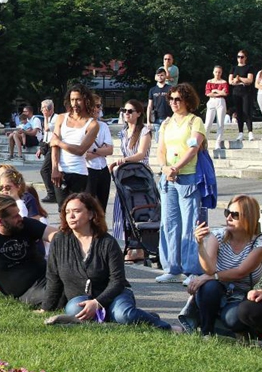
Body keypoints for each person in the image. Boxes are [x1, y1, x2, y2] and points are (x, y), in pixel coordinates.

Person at [41, 193, 176, 331]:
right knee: (73, 309)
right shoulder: (59, 241)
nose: (71, 216)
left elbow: (117, 281)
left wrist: (97, 302)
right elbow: (53, 276)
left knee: (123, 315)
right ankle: (111, 319)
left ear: (91, 214)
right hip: (82, 298)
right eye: (67, 212)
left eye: (77, 211)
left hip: (114, 295)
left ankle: (161, 324)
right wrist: (46, 308)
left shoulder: (107, 243)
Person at [187, 195, 262, 336]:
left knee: (231, 319)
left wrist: (208, 277)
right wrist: (200, 245)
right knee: (209, 287)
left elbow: (240, 272)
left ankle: (245, 331)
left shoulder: (260, 243)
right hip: (220, 290)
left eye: (234, 215)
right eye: (227, 213)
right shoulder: (217, 235)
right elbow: (209, 269)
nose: (228, 218)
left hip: (244, 296)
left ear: (249, 217)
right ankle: (207, 332)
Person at [156, 83, 205, 284]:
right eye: (171, 99)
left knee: (190, 224)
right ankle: (171, 267)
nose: (174, 103)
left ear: (187, 100)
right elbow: (160, 149)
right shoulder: (166, 124)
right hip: (168, 177)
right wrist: (165, 167)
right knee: (169, 223)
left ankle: (191, 268)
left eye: (178, 99)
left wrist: (177, 167)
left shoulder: (195, 121)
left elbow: (193, 148)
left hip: (187, 176)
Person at [109, 100, 153, 249]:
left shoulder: (144, 131)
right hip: (126, 174)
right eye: (124, 110)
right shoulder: (123, 132)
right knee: (122, 205)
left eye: (130, 111)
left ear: (139, 113)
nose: (126, 113)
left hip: (139, 173)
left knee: (139, 207)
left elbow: (141, 154)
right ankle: (124, 241)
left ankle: (140, 242)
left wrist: (123, 160)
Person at [50, 84, 100, 208]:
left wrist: (59, 142)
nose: (75, 103)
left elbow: (80, 150)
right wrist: (55, 169)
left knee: (77, 209)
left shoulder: (92, 124)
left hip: (79, 172)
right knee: (62, 210)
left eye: (78, 99)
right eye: (72, 100)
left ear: (85, 100)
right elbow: (54, 146)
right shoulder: (61, 118)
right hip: (61, 172)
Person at [85, 95, 113, 211]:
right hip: (88, 170)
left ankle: (101, 229)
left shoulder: (103, 126)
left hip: (103, 169)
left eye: (99, 106)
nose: (98, 109)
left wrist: (94, 150)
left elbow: (110, 150)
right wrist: (102, 151)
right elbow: (84, 154)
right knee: (88, 207)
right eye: (96, 106)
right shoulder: (82, 126)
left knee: (102, 208)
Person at [228, 50, 255, 142]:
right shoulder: (234, 68)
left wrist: (239, 79)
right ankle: (240, 132)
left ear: (245, 58)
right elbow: (231, 81)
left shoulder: (249, 67)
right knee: (239, 112)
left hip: (246, 92)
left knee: (246, 111)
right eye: (238, 56)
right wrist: (239, 80)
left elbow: (249, 80)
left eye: (242, 57)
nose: (240, 58)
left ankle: (250, 131)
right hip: (236, 92)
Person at [36, 99, 57, 203]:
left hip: (54, 147)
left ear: (49, 109)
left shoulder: (55, 118)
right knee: (50, 170)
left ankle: (52, 194)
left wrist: (45, 117)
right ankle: (54, 193)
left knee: (44, 170)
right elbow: (46, 135)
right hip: (48, 145)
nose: (41, 110)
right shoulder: (49, 118)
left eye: (43, 108)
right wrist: (41, 149)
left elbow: (47, 128)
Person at [204, 65, 229, 149]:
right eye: (216, 72)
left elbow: (225, 93)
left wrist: (215, 91)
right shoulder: (209, 81)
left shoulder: (224, 82)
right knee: (208, 123)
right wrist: (219, 92)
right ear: (213, 72)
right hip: (212, 101)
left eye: (219, 72)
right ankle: (204, 141)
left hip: (220, 101)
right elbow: (208, 93)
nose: (217, 74)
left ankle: (218, 143)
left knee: (220, 123)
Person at [146, 68, 173, 142]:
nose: (160, 77)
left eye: (162, 75)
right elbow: (149, 106)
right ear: (155, 77)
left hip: (168, 119)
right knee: (158, 142)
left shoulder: (170, 88)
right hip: (157, 120)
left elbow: (174, 103)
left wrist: (172, 117)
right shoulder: (152, 90)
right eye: (158, 75)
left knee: (168, 141)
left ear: (165, 76)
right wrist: (148, 121)